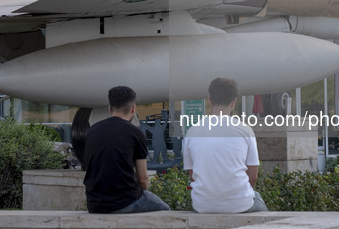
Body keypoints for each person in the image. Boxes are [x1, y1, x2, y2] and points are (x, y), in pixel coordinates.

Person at [183, 78, 268, 213]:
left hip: (202, 205)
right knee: (257, 200)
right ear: (233, 102)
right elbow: (253, 176)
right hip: (240, 204)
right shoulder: (245, 130)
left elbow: (192, 174)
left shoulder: (192, 131)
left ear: (210, 100)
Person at [83, 86, 170, 213]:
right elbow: (143, 178)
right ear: (133, 109)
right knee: (165, 210)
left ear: (109, 108)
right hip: (125, 202)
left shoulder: (92, 131)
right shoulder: (135, 133)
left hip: (94, 204)